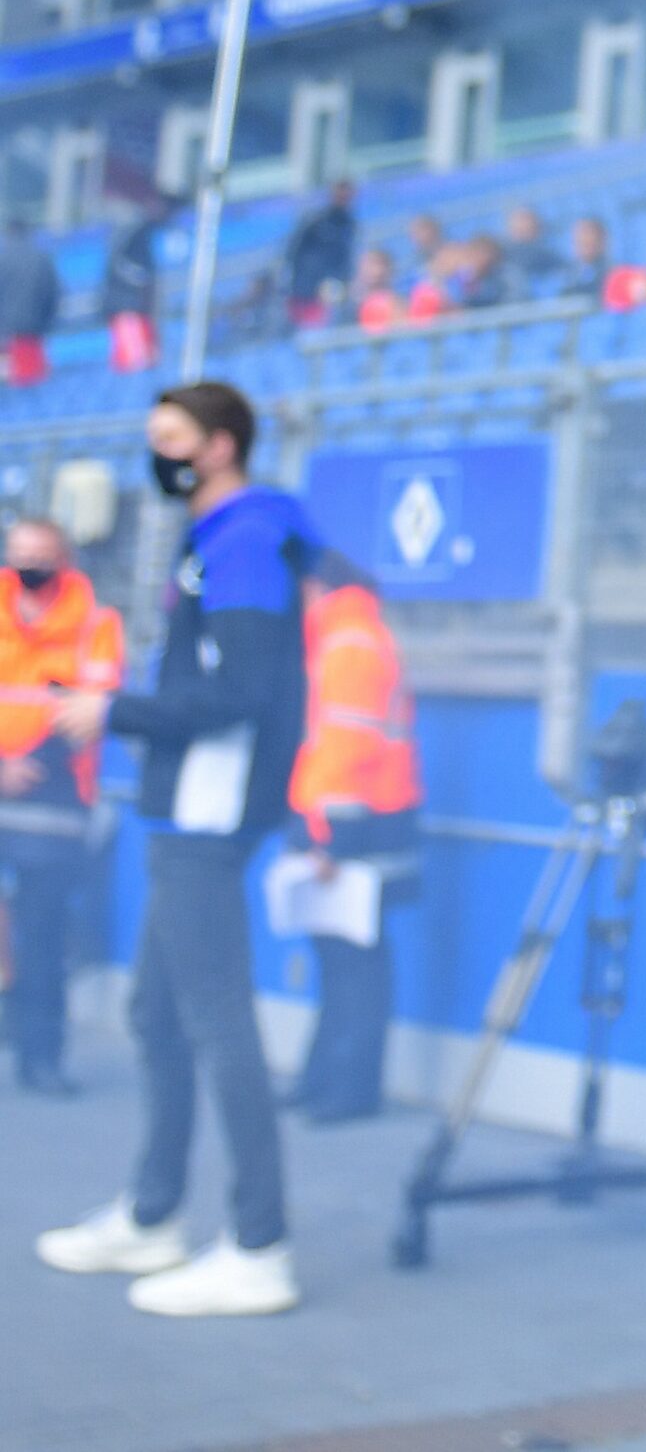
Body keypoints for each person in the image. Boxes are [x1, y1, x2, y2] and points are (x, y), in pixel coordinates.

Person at [36, 382, 315, 1319]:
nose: (156, 455)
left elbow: (238, 691)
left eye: (171, 439)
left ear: (221, 444)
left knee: (215, 1021)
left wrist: (114, 711)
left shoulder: (243, 544)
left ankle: (258, 1244)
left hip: (211, 814)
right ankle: (154, 1213)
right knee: (156, 1014)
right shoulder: (214, 541)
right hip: (180, 813)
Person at [281, 551, 420, 1126]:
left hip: (355, 831)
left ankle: (349, 1089)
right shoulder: (346, 636)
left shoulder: (350, 644)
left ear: (316, 587)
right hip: (354, 824)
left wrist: (330, 839)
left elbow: (347, 749)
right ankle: (324, 1079)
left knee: (355, 965)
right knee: (339, 961)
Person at [0, 518, 122, 1096]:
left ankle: (40, 1054)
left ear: (65, 558)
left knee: (45, 937)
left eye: (41, 555)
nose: (29, 565)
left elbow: (93, 706)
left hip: (54, 797)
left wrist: (28, 765)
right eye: (20, 554)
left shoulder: (96, 623)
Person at [104, 196, 168, 374]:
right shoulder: (133, 231)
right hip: (128, 308)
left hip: (140, 309)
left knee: (146, 361)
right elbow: (119, 263)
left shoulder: (146, 232)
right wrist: (141, 280)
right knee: (135, 364)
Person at [282, 180, 357, 327]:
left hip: (328, 284)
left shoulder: (349, 224)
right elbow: (294, 248)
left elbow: (345, 257)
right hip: (305, 283)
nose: (344, 198)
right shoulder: (316, 219)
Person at [0, 217, 60, 389]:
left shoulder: (3, 260)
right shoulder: (42, 258)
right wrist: (47, 320)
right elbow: (53, 292)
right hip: (35, 329)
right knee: (35, 380)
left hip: (8, 332)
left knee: (20, 385)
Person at [499, 204, 565, 301]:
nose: (526, 226)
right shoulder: (500, 257)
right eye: (521, 221)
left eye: (528, 221)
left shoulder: (550, 258)